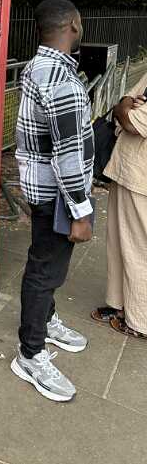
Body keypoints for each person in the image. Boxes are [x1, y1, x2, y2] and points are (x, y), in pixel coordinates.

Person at [11, 0, 94, 402]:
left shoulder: (36, 67)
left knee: (44, 263)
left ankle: (46, 320)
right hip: (57, 195)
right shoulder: (62, 81)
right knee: (45, 271)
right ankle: (30, 353)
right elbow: (68, 155)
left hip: (38, 186)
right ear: (74, 25)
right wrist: (81, 211)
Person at [91, 74, 147, 339]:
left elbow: (131, 121)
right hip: (126, 169)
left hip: (141, 179)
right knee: (117, 243)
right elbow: (123, 100)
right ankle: (118, 303)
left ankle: (140, 319)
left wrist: (125, 109)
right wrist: (125, 105)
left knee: (138, 248)